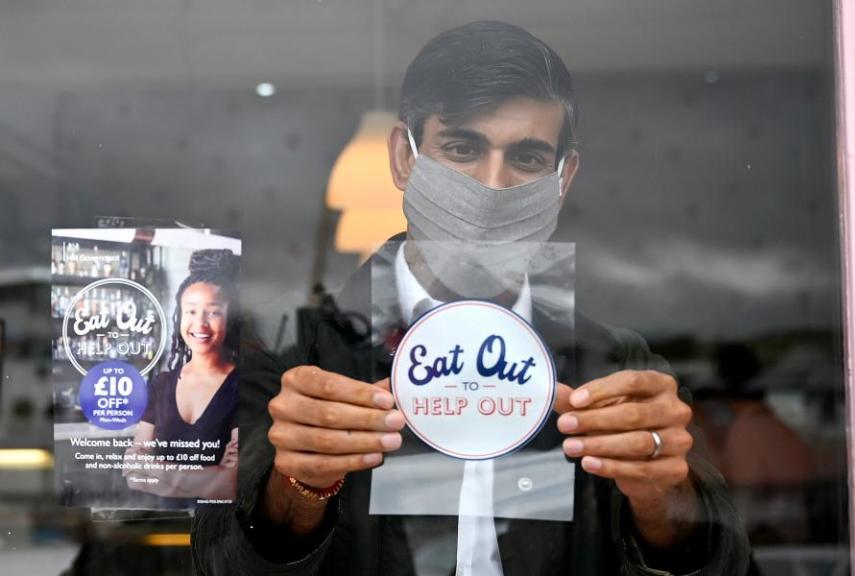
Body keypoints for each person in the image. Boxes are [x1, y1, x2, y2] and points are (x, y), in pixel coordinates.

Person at [193, 21, 750, 575]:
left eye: (527, 158)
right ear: (404, 158)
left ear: (565, 176)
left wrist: (660, 495)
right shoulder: (292, 352)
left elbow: (726, 564)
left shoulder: (614, 365)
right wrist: (299, 484)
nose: (491, 185)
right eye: (462, 147)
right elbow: (219, 562)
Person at [125, 249, 241, 504]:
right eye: (190, 311)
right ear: (179, 316)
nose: (200, 323)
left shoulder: (243, 387)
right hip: (161, 521)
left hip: (217, 528)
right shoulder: (163, 383)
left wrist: (154, 469)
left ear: (230, 318)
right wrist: (211, 476)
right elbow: (132, 472)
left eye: (213, 312)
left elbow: (230, 485)